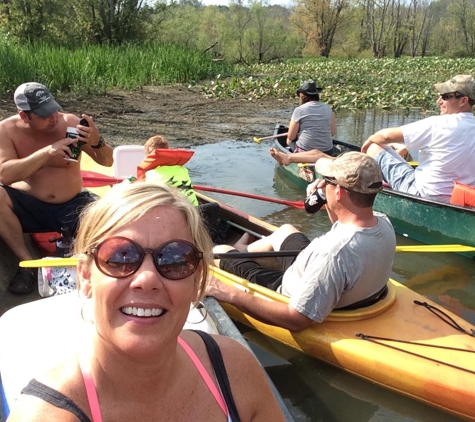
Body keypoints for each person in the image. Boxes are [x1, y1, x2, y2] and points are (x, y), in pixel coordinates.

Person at [6, 183, 285, 422]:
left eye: (175, 258)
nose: (147, 278)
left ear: (197, 282)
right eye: (120, 256)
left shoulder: (235, 370)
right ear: (86, 277)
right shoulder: (45, 415)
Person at [208, 152, 395, 332]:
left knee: (221, 250)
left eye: (327, 180)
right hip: (318, 270)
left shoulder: (332, 254)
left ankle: (231, 252)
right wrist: (325, 200)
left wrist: (228, 293)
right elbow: (342, 226)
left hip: (287, 292)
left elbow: (297, 319)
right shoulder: (382, 222)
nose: (322, 183)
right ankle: (243, 249)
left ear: (339, 192)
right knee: (286, 230)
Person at [0, 82, 113, 294]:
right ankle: (26, 265)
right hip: (29, 205)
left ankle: (89, 268)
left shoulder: (71, 124)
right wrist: (46, 153)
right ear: (25, 116)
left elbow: (107, 162)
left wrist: (98, 142)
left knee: (111, 216)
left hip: (72, 204)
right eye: (44, 115)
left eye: (54, 110)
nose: (53, 118)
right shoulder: (6, 130)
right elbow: (4, 175)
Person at [361, 74, 475, 203]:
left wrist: (368, 143)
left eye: (445, 96)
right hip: (464, 199)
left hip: (424, 194)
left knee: (375, 147)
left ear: (463, 101)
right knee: (402, 147)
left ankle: (367, 189)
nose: (439, 101)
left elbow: (384, 136)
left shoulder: (438, 124)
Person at [269, 80, 336, 165]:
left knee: (288, 141)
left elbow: (291, 136)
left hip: (305, 152)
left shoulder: (299, 110)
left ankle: (291, 157)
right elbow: (332, 133)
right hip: (328, 151)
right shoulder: (328, 108)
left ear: (302, 96)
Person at [138, 134, 198, 205]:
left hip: (174, 211)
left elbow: (145, 195)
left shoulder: (151, 174)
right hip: (193, 208)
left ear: (149, 154)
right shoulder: (183, 169)